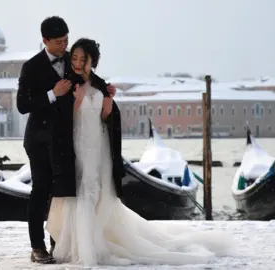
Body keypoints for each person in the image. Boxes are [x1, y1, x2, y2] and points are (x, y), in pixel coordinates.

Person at [45, 38, 236, 267]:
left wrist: (108, 105)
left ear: (92, 62)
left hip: (99, 147)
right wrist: (75, 102)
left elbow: (107, 118)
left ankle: (93, 242)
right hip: (76, 146)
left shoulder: (100, 86)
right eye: (74, 58)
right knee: (80, 192)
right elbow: (63, 121)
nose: (77, 63)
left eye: (82, 59)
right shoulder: (67, 85)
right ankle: (80, 246)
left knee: (95, 192)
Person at [16, 17, 116, 264]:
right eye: (59, 42)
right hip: (39, 139)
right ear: (45, 41)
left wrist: (107, 90)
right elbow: (22, 105)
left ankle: (59, 244)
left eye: (66, 40)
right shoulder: (31, 67)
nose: (65, 46)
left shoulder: (73, 60)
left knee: (61, 194)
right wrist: (53, 94)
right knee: (40, 190)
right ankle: (38, 247)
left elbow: (90, 76)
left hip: (65, 141)